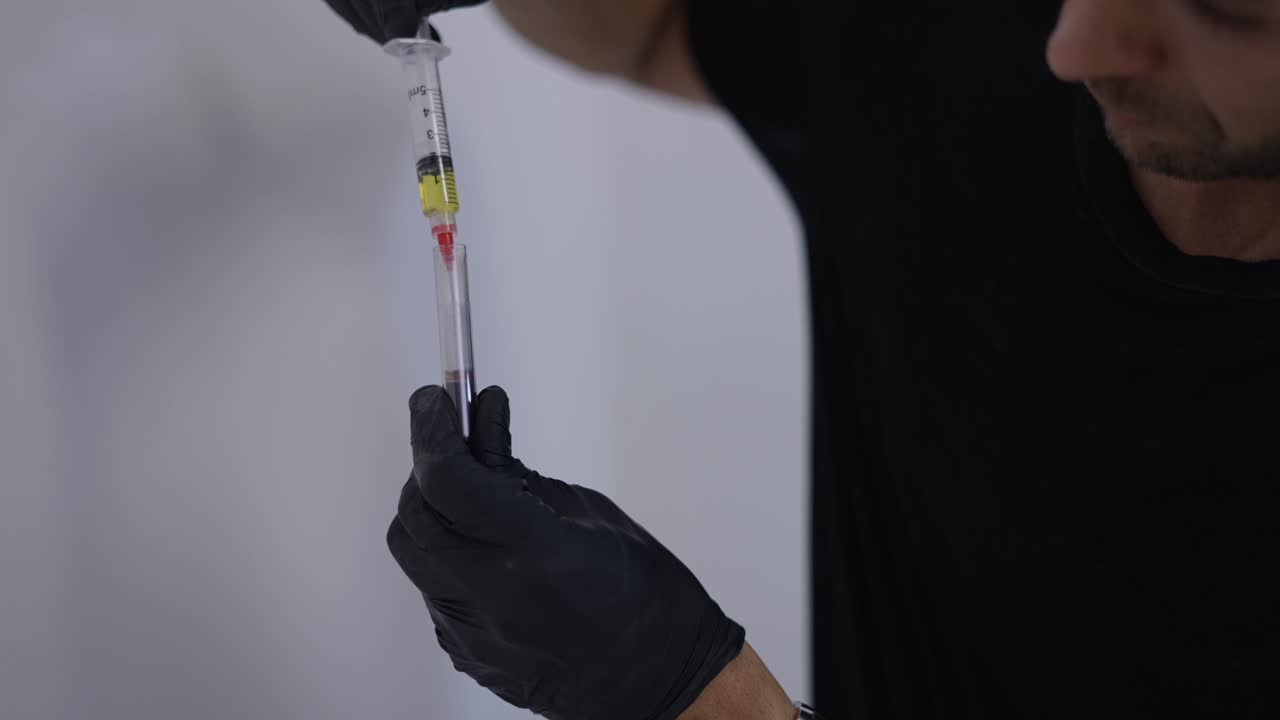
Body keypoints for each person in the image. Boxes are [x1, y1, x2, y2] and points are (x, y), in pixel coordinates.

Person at [323, 1, 1280, 718]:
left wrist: (686, 690)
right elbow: (646, 26)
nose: (1076, 45)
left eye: (1223, 12)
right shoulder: (987, 43)